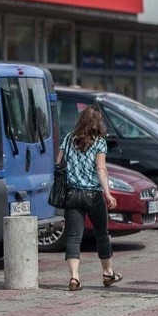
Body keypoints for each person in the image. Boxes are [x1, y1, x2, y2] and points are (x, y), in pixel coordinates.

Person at [56, 105, 120, 291]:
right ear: (97, 123)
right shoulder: (99, 142)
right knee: (102, 233)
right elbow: (101, 169)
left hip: (72, 194)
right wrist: (107, 193)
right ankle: (108, 273)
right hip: (93, 194)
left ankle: (74, 277)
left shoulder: (68, 139)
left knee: (74, 236)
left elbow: (58, 163)